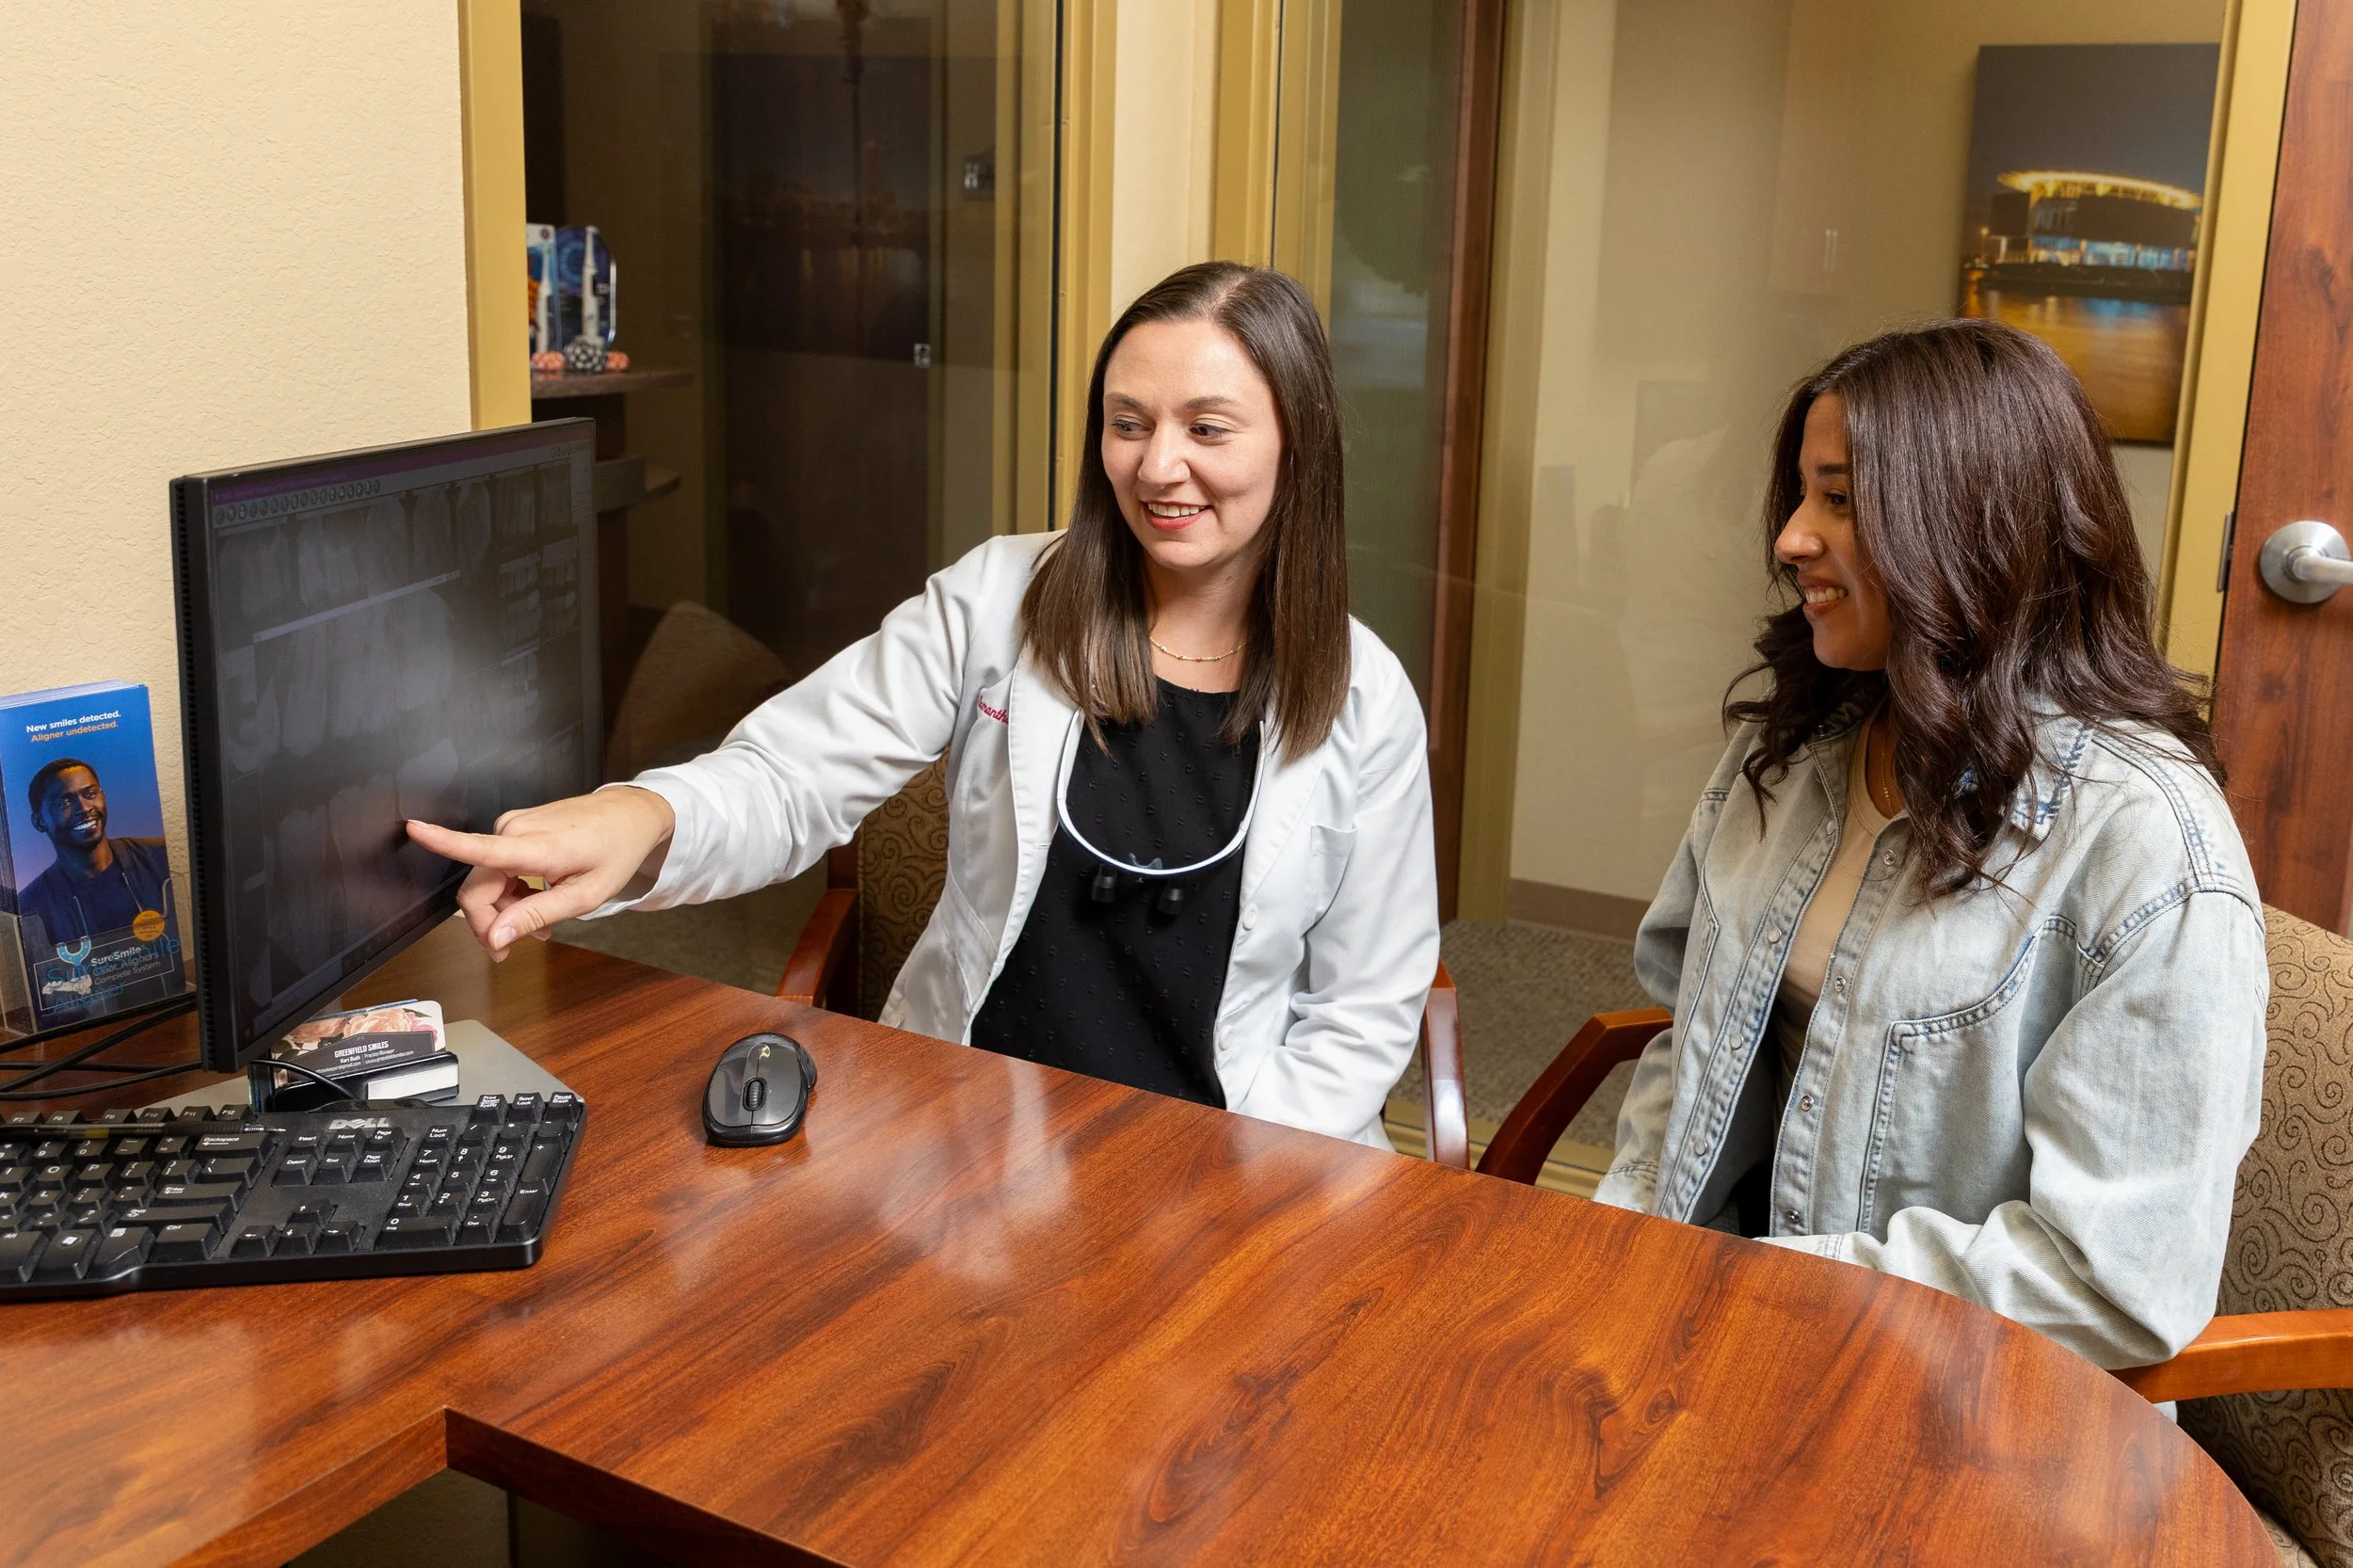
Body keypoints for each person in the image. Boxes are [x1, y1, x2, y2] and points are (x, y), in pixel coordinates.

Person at [408, 262, 1439, 1147]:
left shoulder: (1364, 698)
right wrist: (645, 814)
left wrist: (1234, 1186)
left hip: (1220, 1176)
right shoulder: (1001, 598)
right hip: (976, 1141)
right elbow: (791, 776)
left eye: (1206, 427)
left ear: (1296, 444)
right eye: (1128, 424)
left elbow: (1360, 1011)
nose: (1156, 465)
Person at [1595, 319, 2266, 1370]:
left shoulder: (2144, 843)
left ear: (1969, 528)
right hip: (1732, 1332)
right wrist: (1615, 1257)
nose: (1789, 539)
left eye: (1840, 499)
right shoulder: (1790, 750)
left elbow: (2117, 1280)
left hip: (1964, 1413)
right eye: (1801, 494)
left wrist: (1781, 1292)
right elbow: (1685, 1054)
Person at [16, 758, 178, 954]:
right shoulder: (29, 906)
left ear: (104, 797)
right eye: (65, 802)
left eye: (90, 794)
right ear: (39, 822)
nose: (84, 809)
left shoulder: (160, 857)